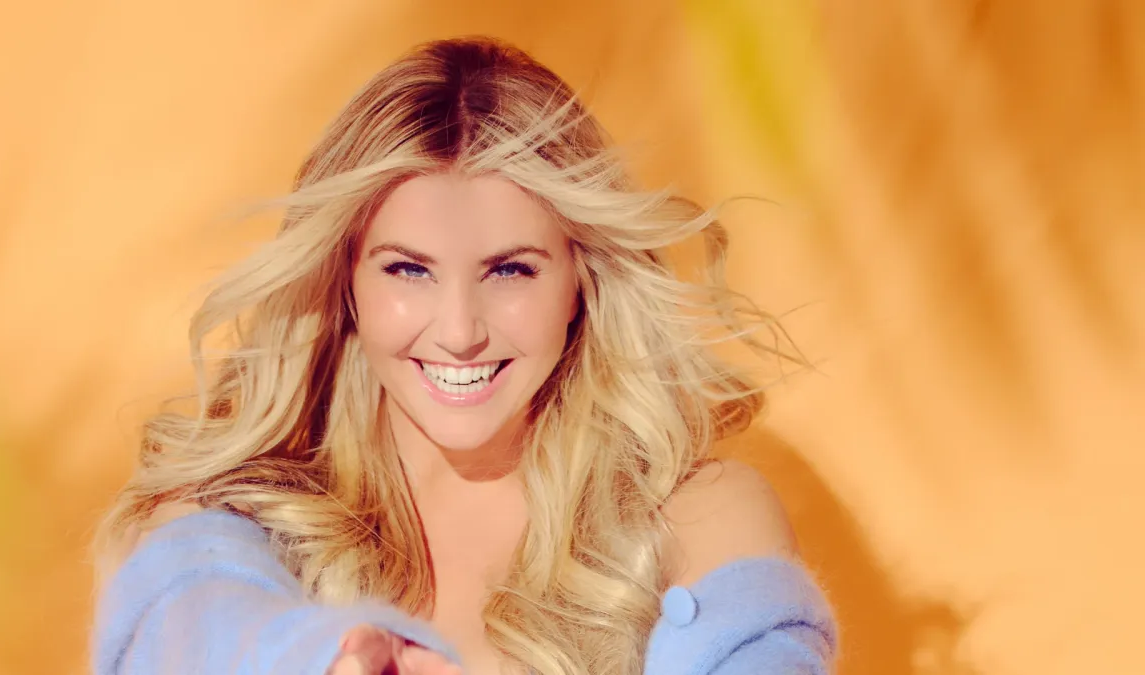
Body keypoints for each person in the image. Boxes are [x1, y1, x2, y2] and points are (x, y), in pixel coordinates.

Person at [91, 36, 836, 675]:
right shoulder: (227, 520)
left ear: (581, 279)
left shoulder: (701, 519)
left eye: (509, 270)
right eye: (407, 270)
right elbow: (201, 635)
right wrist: (324, 658)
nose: (459, 331)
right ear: (346, 280)